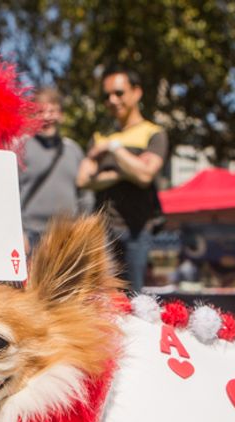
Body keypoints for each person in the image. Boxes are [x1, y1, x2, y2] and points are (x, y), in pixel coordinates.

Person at [77, 66, 168, 291]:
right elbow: (83, 179)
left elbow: (145, 176)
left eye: (119, 93)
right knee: (104, 300)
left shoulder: (153, 133)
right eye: (107, 96)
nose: (113, 100)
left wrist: (114, 148)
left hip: (137, 231)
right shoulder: (100, 136)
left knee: (135, 301)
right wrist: (123, 173)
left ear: (136, 92)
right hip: (104, 232)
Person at [18, 87, 93, 250]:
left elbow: (85, 193)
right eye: (40, 111)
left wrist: (83, 228)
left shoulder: (73, 150)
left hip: (67, 236)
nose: (46, 117)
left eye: (52, 111)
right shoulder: (20, 148)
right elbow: (9, 193)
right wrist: (18, 232)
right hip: (31, 235)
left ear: (61, 115)